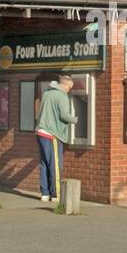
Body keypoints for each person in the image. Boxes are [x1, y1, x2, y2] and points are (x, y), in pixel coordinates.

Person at [35, 74, 76, 203]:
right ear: (65, 85)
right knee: (55, 165)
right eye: (70, 88)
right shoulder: (62, 95)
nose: (70, 90)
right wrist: (75, 119)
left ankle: (45, 193)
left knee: (44, 163)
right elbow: (64, 115)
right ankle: (56, 194)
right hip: (52, 134)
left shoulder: (47, 93)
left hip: (41, 131)